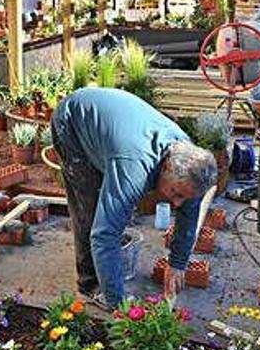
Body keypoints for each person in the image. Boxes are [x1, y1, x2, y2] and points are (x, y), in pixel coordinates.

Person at [52, 88, 218, 309]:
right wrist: (117, 303)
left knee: (113, 203)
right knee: (90, 209)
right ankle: (91, 285)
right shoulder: (134, 168)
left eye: (182, 197)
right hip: (72, 121)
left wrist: (178, 262)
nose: (177, 204)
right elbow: (104, 235)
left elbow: (190, 208)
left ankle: (106, 271)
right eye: (176, 194)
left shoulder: (190, 162)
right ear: (166, 166)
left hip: (114, 128)